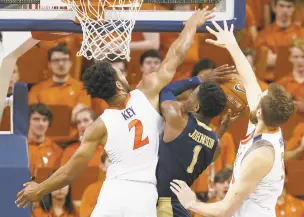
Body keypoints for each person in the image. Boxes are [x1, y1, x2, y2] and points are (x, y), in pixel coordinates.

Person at [15, 8, 215, 217]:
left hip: (114, 191)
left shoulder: (99, 126)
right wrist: (192, 24)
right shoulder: (146, 94)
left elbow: (69, 171)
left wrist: (39, 190)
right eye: (121, 73)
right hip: (143, 193)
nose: (125, 75)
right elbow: (176, 54)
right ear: (119, 85)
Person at [170, 20, 295, 217]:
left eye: (261, 96)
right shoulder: (266, 120)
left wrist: (191, 202)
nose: (257, 93)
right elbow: (249, 78)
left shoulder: (261, 155)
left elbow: (225, 209)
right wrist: (231, 43)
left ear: (260, 111)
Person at [157, 64, 238, 217]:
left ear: (196, 107)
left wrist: (199, 79)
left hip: (163, 205)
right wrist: (221, 131)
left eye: (192, 95)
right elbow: (202, 144)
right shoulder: (216, 144)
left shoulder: (176, 118)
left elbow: (166, 90)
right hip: (181, 205)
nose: (187, 97)